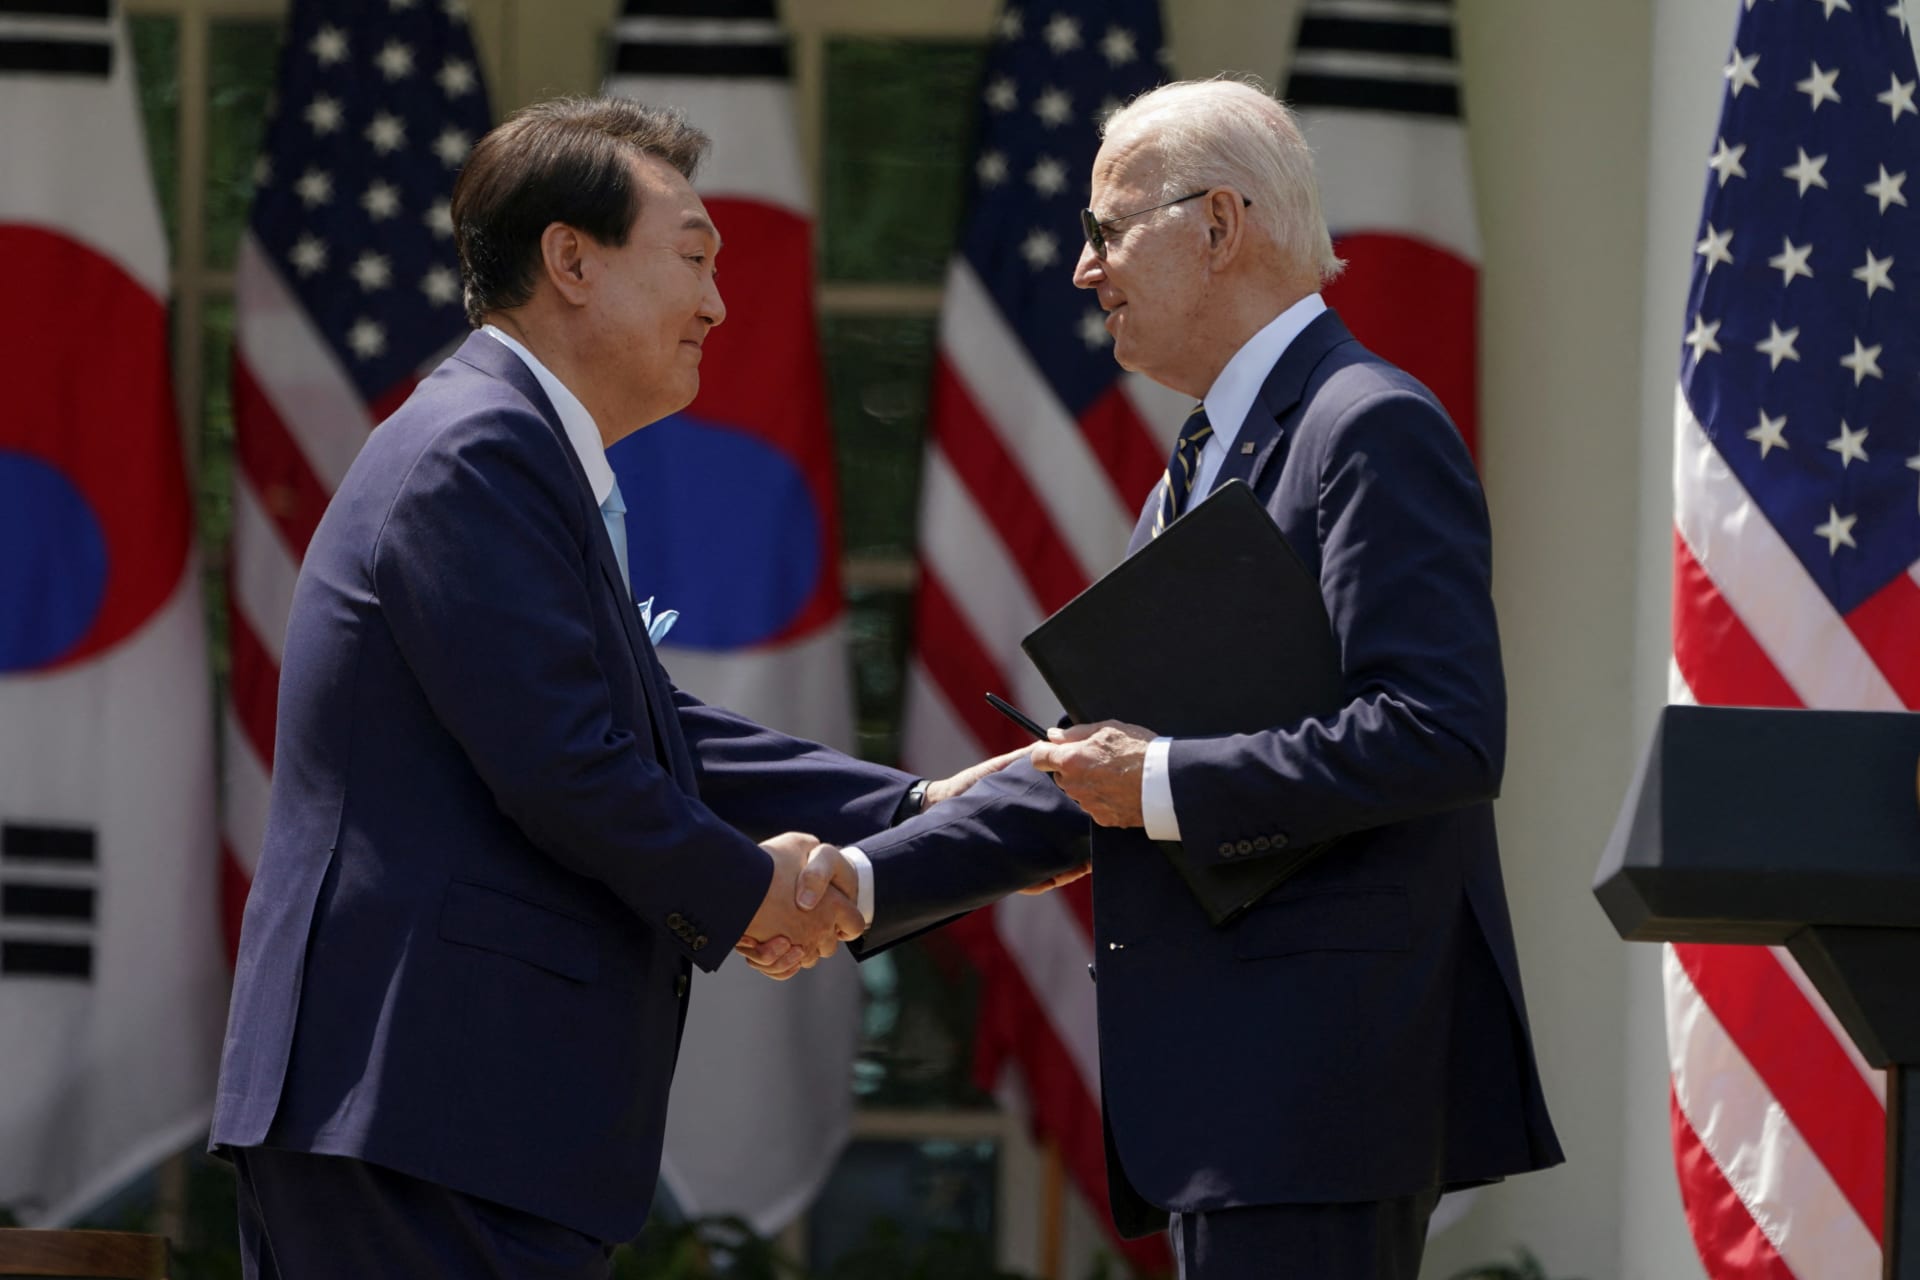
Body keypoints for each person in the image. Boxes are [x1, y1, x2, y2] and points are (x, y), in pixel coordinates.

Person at [209, 96, 1042, 1280]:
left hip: (460, 1119)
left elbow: (650, 728)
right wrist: (759, 892)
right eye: (694, 257)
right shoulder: (475, 451)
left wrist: (913, 807)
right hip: (415, 1109)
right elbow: (568, 761)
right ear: (571, 259)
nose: (716, 303)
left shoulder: (511, 447)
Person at [763, 79, 1564, 1280]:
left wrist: (1163, 778)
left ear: (1221, 225)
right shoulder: (1202, 463)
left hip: (1319, 1094)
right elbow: (1104, 771)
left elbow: (1440, 730)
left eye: (1105, 229)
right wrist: (866, 879)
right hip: (1237, 1097)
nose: (1085, 270)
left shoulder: (1365, 425)